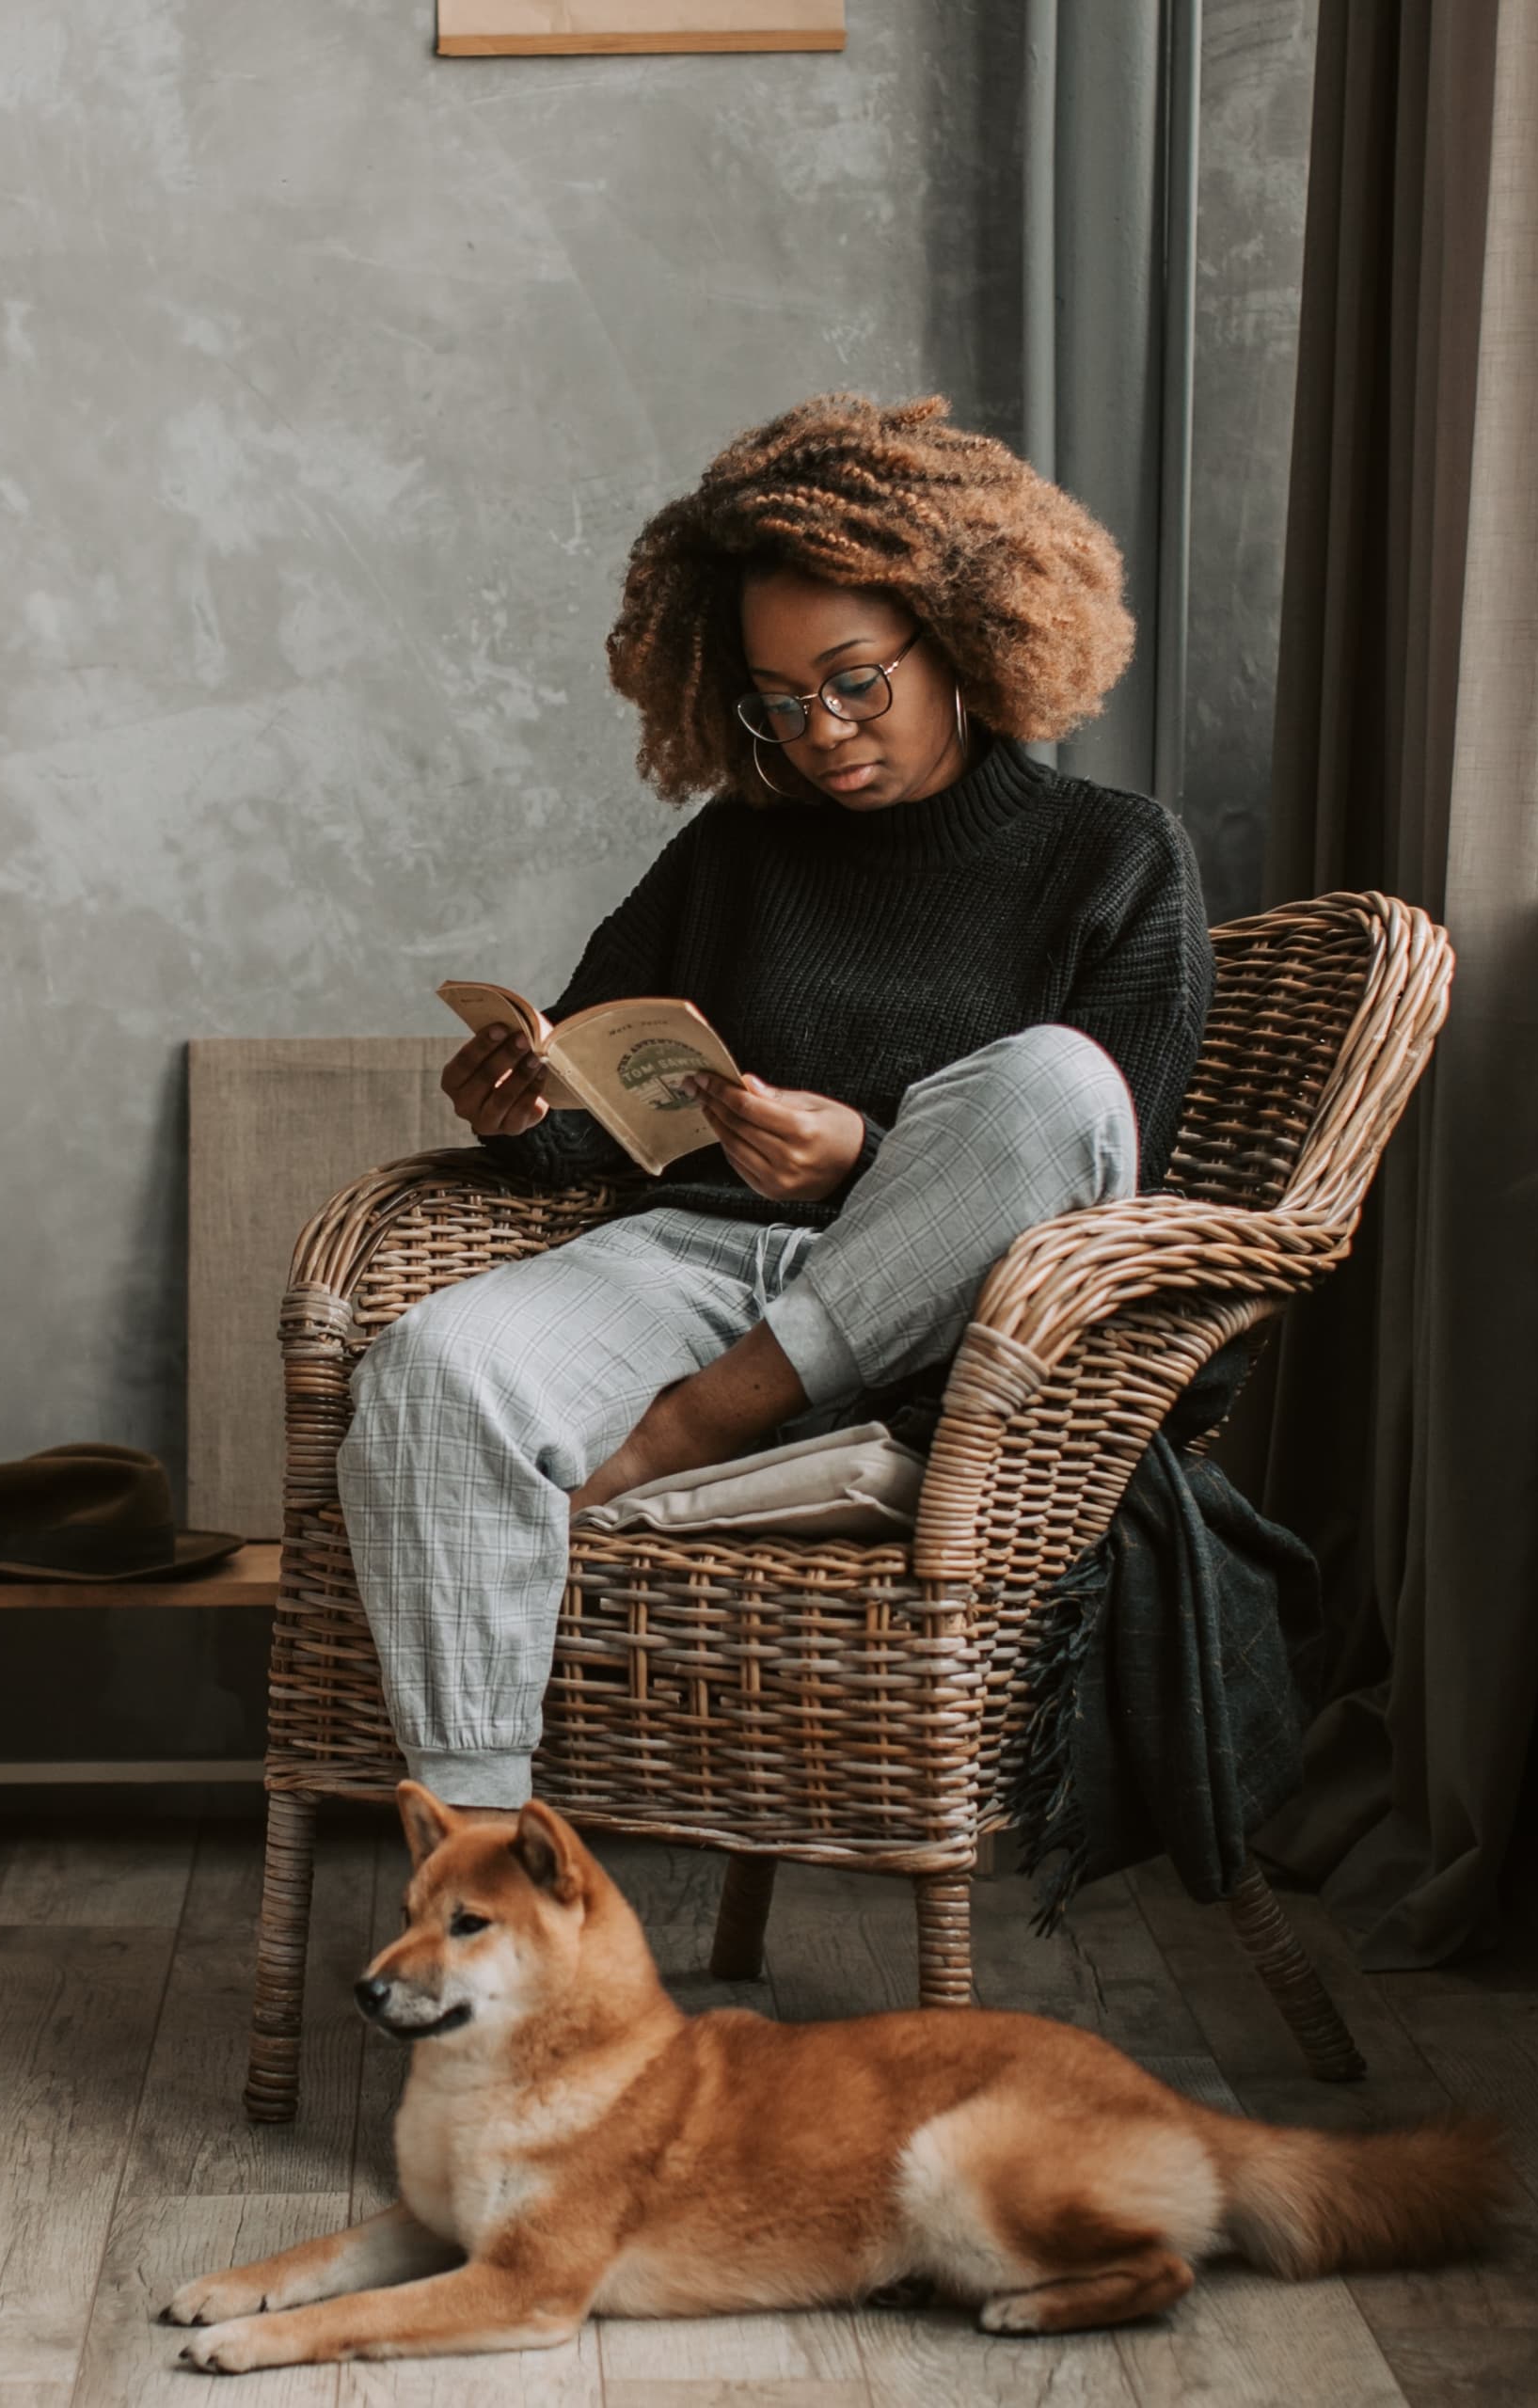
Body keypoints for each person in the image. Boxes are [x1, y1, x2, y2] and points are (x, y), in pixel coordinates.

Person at [338, 392, 1213, 1809]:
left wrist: (867, 1159)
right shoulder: (742, 849)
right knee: (437, 1367)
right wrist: (523, 1107)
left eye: (854, 680)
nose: (818, 731)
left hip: (962, 1316)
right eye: (777, 699)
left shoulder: (1112, 855)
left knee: (1053, 1077)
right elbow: (601, 1108)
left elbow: (1109, 1162)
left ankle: (698, 1433)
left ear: (969, 633)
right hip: (696, 1261)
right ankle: (479, 1852)